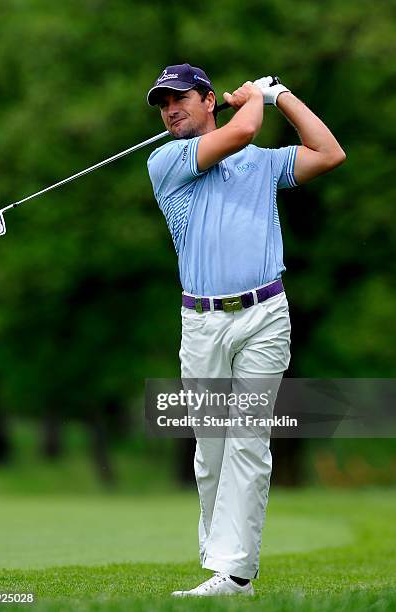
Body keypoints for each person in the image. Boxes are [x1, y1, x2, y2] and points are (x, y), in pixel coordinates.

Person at [146, 63, 345, 597]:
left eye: (179, 98)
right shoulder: (166, 160)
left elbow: (329, 153)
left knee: (249, 442)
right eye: (163, 104)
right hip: (202, 322)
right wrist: (254, 99)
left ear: (209, 100)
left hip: (264, 316)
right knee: (211, 449)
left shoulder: (260, 165)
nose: (170, 110)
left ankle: (235, 573)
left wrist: (280, 95)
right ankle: (219, 560)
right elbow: (244, 130)